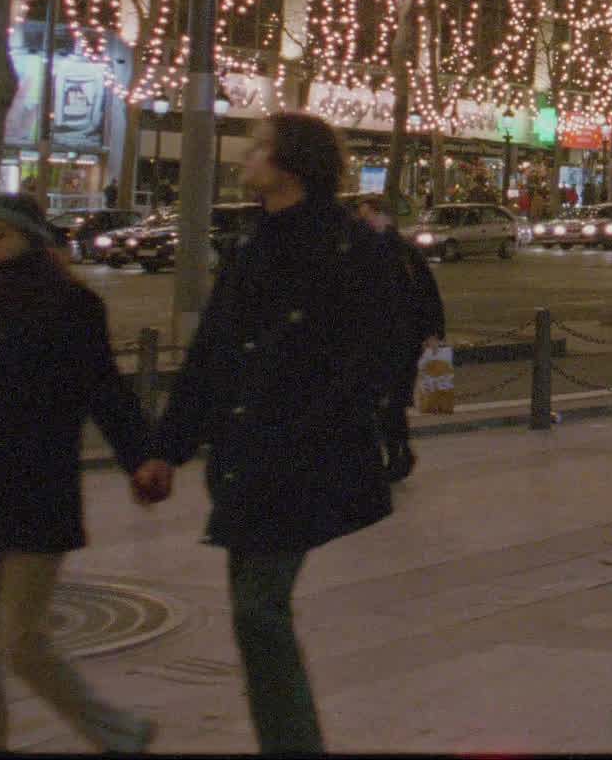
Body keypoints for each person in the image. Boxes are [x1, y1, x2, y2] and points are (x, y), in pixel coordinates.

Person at [136, 114, 404, 755]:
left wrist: (321, 424)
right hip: (250, 456)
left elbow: (379, 353)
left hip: (301, 458)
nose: (245, 159)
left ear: (288, 164)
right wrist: (167, 450)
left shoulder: (350, 248)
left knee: (258, 609)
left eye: (257, 148)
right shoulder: (254, 245)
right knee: (255, 613)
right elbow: (212, 357)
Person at [0, 194, 161, 754]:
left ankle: (116, 734)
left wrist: (141, 458)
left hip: (35, 492)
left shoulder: (73, 306)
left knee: (22, 642)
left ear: (31, 242)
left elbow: (105, 391)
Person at [353, 194, 444, 484]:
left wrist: (431, 333)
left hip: (400, 340)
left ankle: (397, 454)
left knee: (389, 400)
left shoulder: (403, 253)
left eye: (367, 216)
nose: (363, 222)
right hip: (374, 340)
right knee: (383, 401)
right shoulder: (361, 252)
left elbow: (426, 294)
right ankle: (396, 453)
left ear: (383, 217)